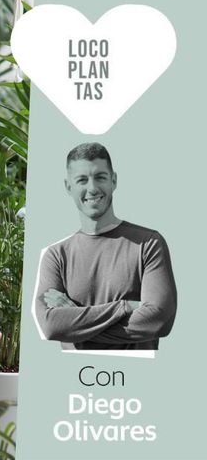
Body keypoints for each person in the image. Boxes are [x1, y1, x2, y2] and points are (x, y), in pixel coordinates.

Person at [34, 142, 177, 351]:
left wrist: (76, 324)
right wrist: (125, 307)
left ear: (114, 180)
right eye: (81, 180)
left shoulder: (148, 244)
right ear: (68, 187)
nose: (92, 188)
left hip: (136, 377)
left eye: (100, 177)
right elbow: (51, 326)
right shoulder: (56, 255)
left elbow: (159, 322)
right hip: (74, 375)